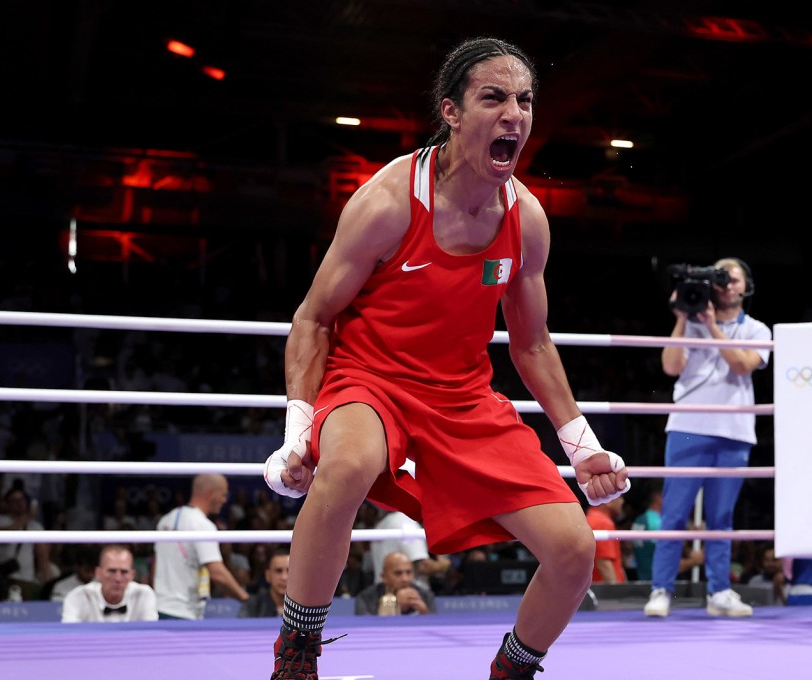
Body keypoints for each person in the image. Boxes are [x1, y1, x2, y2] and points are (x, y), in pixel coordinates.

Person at [261, 36, 630, 680]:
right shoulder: (389, 200)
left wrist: (581, 445)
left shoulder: (528, 220)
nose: (514, 112)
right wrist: (297, 431)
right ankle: (296, 655)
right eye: (494, 97)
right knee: (345, 467)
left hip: (463, 398)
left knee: (574, 549)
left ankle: (511, 670)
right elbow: (313, 317)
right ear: (452, 112)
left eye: (525, 100)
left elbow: (532, 342)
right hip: (368, 379)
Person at [644, 256, 771, 618]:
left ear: (745, 287)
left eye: (732, 279)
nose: (727, 285)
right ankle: (660, 590)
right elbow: (671, 367)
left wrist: (714, 328)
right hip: (687, 428)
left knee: (722, 516)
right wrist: (683, 316)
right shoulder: (690, 325)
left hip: (734, 431)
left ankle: (719, 592)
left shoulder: (758, 330)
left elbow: (743, 365)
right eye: (721, 279)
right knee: (674, 513)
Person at [153, 474, 250, 619]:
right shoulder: (202, 525)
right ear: (213, 493)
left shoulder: (166, 520)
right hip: (183, 611)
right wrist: (246, 599)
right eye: (223, 495)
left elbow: (155, 565)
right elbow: (217, 572)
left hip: (160, 607)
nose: (224, 500)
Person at [61, 544, 158, 622]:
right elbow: (69, 638)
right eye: (111, 571)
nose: (118, 579)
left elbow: (151, 638)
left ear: (132, 575)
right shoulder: (77, 597)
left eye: (124, 572)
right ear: (98, 573)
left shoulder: (144, 595)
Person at [368, 507, 451, 593]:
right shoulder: (406, 523)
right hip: (409, 594)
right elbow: (423, 566)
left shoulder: (381, 525)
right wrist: (443, 565)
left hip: (382, 591)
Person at [354, 551, 436, 616]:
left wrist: (424, 613)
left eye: (409, 572)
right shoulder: (365, 598)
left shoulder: (426, 596)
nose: (405, 579)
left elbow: (435, 626)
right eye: (398, 573)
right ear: (384, 577)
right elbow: (366, 628)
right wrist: (395, 606)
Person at [239, 549, 290, 618]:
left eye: (289, 571)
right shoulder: (252, 606)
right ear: (268, 575)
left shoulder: (305, 607)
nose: (284, 577)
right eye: (278, 571)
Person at [586, 496, 626, 584]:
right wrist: (614, 592)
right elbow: (603, 563)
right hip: (603, 591)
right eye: (619, 497)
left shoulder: (590, 519)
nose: (622, 501)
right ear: (607, 500)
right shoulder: (602, 523)